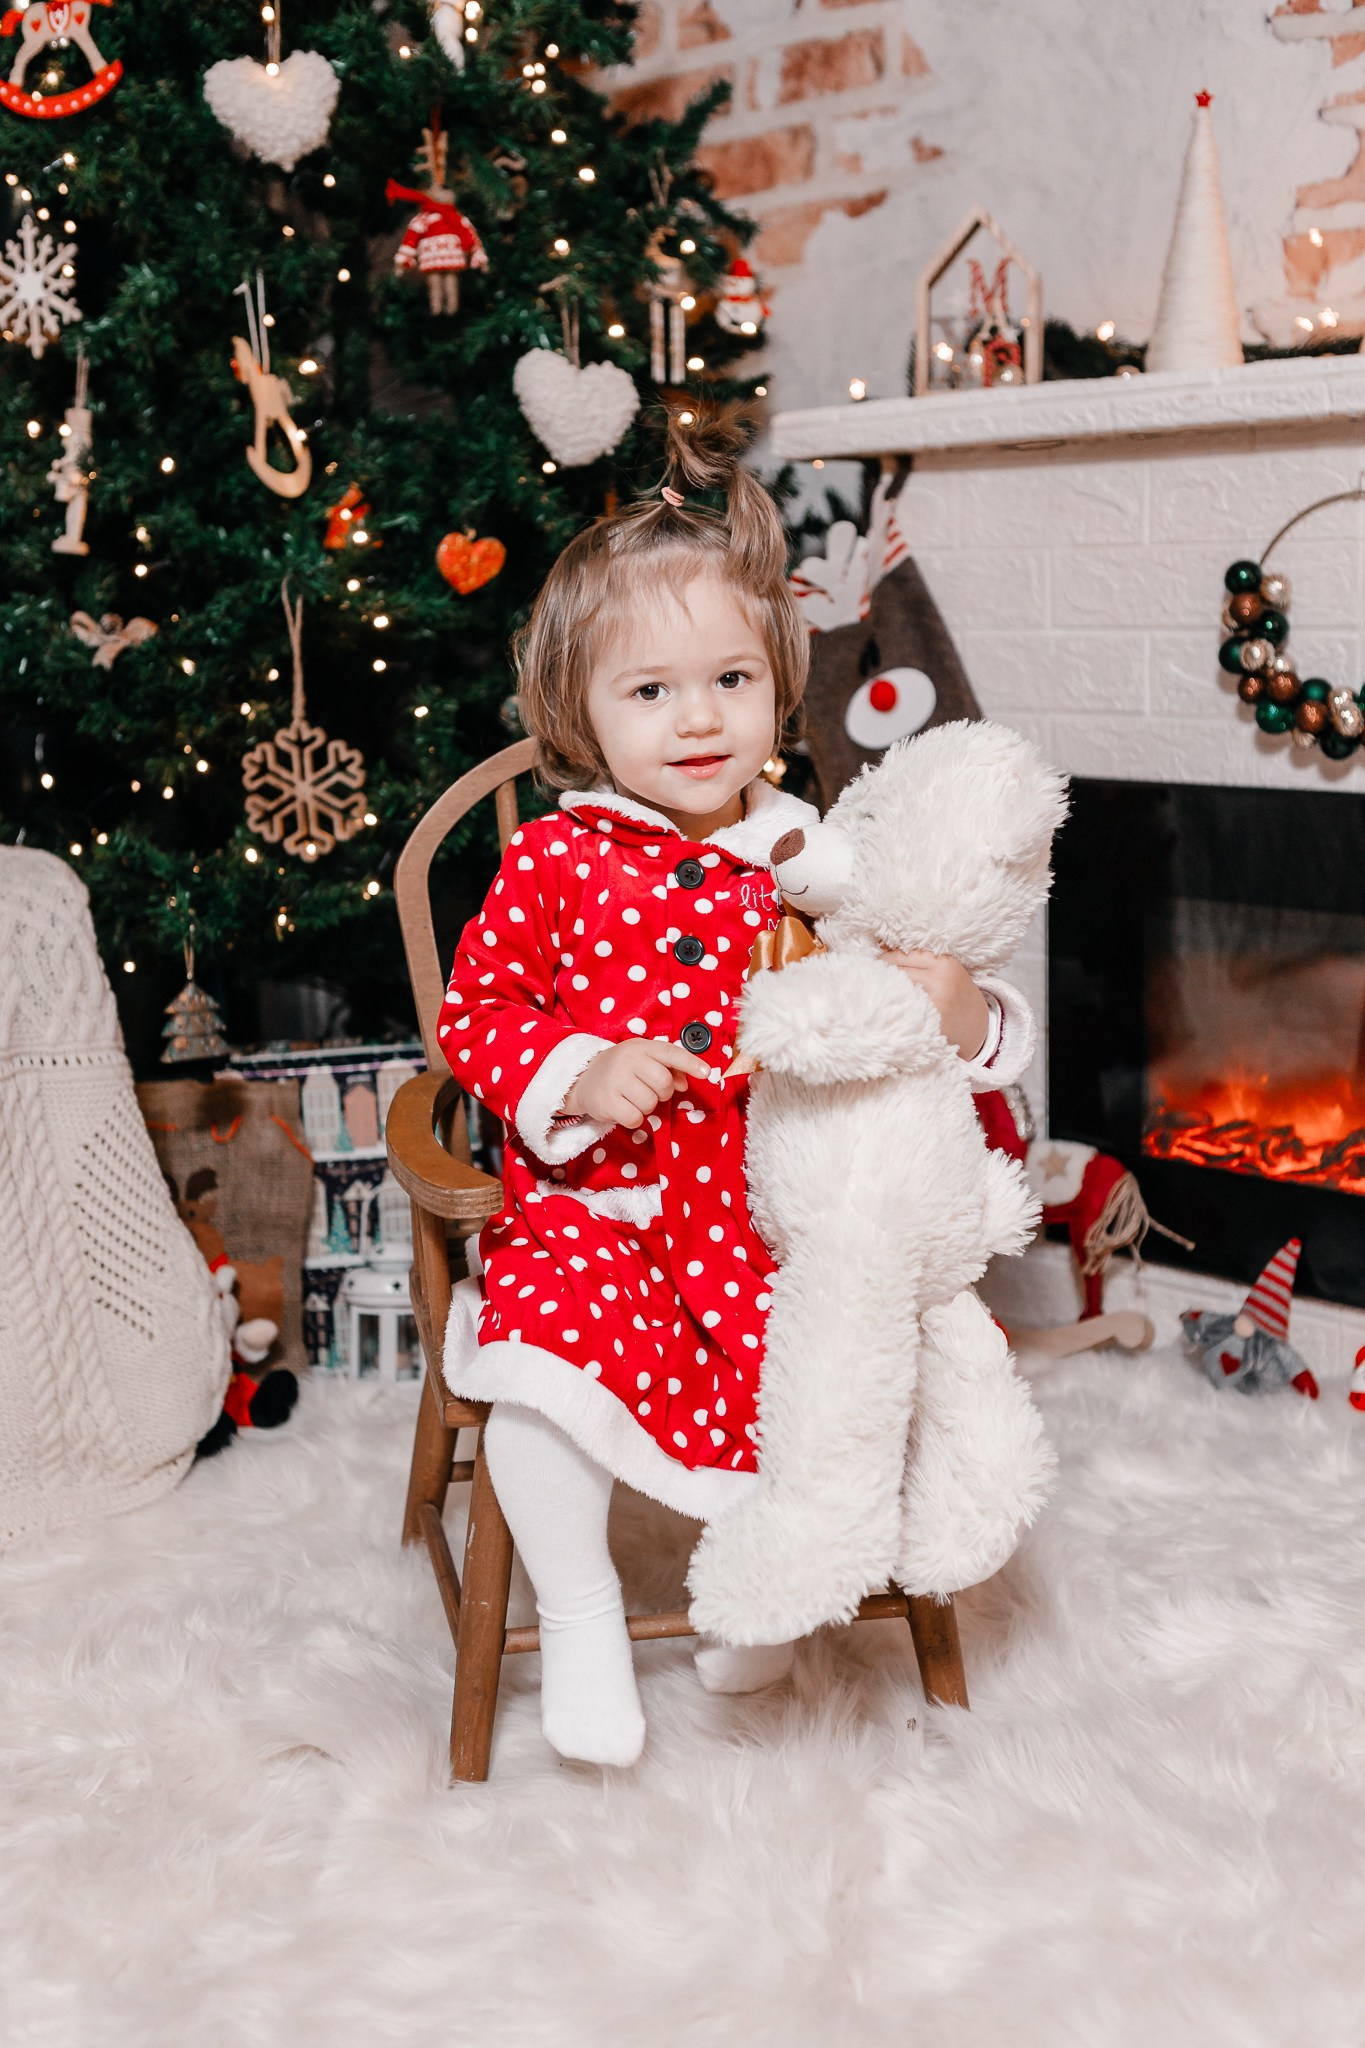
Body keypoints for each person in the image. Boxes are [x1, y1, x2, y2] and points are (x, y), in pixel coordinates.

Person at [437, 411, 1034, 1766]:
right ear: (579, 713)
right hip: (606, 1207)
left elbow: (914, 991)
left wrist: (961, 1010)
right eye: (649, 692)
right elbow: (478, 1014)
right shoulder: (556, 860)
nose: (698, 717)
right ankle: (580, 1610)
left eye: (728, 679)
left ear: (777, 683)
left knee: (837, 1368)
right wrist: (580, 1069)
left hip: (771, 1210)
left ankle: (765, 1599)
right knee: (539, 1364)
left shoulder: (814, 852)